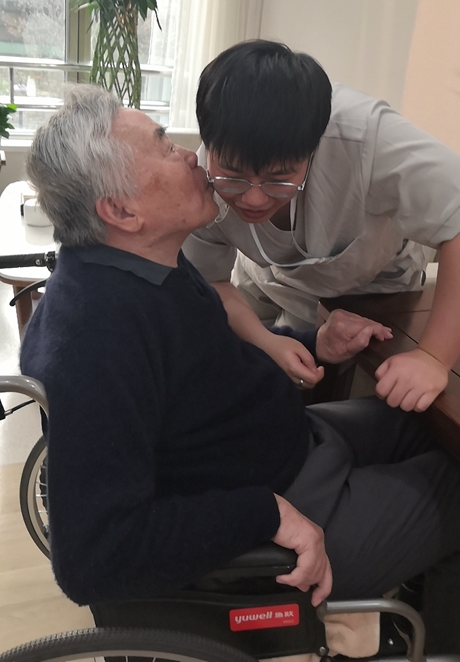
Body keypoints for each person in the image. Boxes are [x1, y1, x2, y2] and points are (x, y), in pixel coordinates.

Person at [20, 85, 460, 653]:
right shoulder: (94, 340)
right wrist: (264, 514)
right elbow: (93, 560)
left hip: (293, 445)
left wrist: (313, 343)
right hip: (281, 507)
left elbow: (203, 374)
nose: (189, 155)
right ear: (121, 211)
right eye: (163, 145)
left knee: (429, 424)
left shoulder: (149, 265)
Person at [182, 39, 460, 413]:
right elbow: (211, 281)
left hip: (372, 284)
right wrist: (267, 340)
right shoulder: (197, 178)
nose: (254, 199)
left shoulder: (365, 136)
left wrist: (433, 357)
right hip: (261, 275)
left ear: (313, 148)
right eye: (233, 176)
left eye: (279, 178)